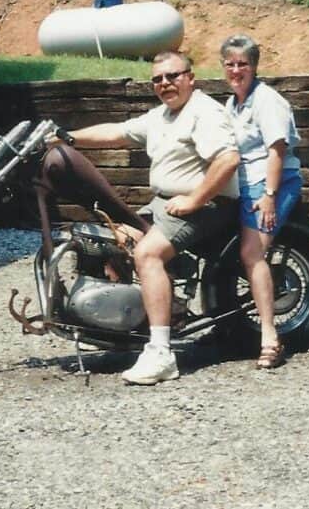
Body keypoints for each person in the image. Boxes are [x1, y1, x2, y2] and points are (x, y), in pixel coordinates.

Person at [63, 51, 240, 385]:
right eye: (157, 79)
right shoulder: (162, 115)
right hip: (167, 202)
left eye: (172, 76)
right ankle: (135, 327)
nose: (165, 84)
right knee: (114, 240)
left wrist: (195, 199)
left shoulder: (204, 112)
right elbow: (117, 131)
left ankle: (161, 354)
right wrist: (67, 137)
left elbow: (228, 160)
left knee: (148, 253)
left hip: (208, 205)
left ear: (190, 77)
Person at [221, 34, 303, 369]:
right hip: (243, 185)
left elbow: (277, 149)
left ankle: (270, 337)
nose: (236, 69)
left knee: (252, 253)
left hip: (273, 185)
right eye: (230, 63)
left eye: (243, 63)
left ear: (254, 66)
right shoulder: (232, 104)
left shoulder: (267, 100)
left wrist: (269, 197)